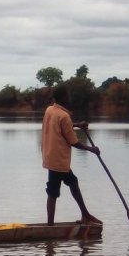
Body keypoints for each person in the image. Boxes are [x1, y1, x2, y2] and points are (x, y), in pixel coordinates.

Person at [41, 85, 102, 226]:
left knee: (72, 182)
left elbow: (61, 125)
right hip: (59, 160)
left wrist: (77, 125)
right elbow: (73, 142)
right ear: (62, 97)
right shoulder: (64, 116)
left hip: (51, 156)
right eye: (67, 95)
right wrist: (91, 149)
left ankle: (85, 215)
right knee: (53, 192)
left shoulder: (50, 110)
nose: (69, 98)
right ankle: (50, 227)